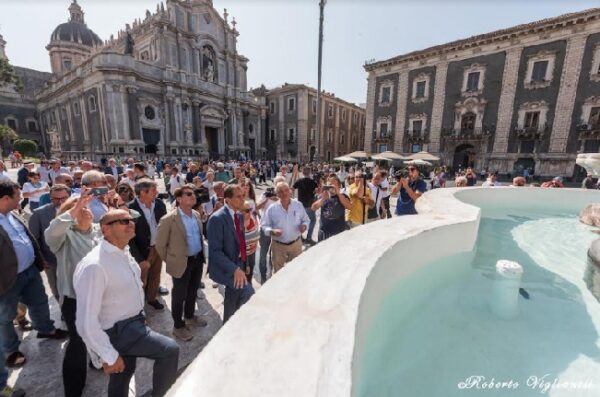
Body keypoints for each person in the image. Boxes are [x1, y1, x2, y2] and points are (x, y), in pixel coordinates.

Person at [74, 209, 179, 397]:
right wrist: (107, 355)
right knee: (169, 350)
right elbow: (85, 322)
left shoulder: (124, 251)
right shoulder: (95, 266)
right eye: (123, 221)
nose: (131, 223)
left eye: (131, 220)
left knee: (123, 373)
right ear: (106, 229)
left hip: (132, 323)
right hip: (118, 331)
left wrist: (140, 315)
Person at [0, 181, 68, 371]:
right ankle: (11, 350)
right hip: (7, 278)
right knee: (5, 316)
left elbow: (27, 238)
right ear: (5, 198)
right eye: (17, 195)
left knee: (39, 302)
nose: (21, 198)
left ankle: (45, 329)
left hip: (29, 270)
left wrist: (38, 260)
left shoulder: (11, 214)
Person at [45, 193, 102, 397]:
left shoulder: (99, 231)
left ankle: (97, 362)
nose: (86, 210)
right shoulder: (64, 236)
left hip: (100, 296)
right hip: (75, 299)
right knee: (78, 342)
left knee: (98, 333)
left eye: (87, 206)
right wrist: (73, 208)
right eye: (80, 208)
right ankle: (73, 389)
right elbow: (51, 233)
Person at [156, 184, 207, 341]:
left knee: (192, 290)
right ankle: (178, 326)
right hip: (180, 262)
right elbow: (160, 245)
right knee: (179, 294)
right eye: (188, 194)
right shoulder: (169, 219)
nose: (193, 196)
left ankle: (190, 316)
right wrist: (171, 259)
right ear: (178, 199)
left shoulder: (196, 215)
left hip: (196, 259)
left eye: (193, 194)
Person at [207, 184, 255, 323]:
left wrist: (244, 262)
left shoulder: (239, 215)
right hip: (227, 267)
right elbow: (215, 252)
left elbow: (241, 240)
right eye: (238, 197)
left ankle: (228, 325)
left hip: (239, 264)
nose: (242, 199)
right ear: (227, 200)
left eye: (243, 196)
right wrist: (234, 269)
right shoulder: (217, 219)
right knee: (249, 293)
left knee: (232, 299)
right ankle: (237, 326)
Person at [128, 179, 168, 311]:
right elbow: (129, 238)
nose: (156, 192)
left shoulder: (160, 204)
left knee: (155, 275)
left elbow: (165, 225)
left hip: (157, 248)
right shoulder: (130, 208)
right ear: (142, 192)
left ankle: (151, 299)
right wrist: (139, 259)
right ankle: (137, 307)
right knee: (140, 280)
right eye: (153, 190)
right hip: (141, 250)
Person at [28, 184, 71, 301]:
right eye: (56, 199)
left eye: (64, 198)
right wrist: (42, 259)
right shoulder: (38, 214)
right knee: (57, 288)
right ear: (50, 198)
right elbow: (33, 239)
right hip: (51, 260)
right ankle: (63, 309)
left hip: (74, 258)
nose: (61, 201)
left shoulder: (79, 210)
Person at [261, 182, 309, 273]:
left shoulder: (298, 205)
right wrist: (272, 231)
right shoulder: (272, 208)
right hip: (278, 246)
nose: (284, 193)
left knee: (296, 271)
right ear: (277, 194)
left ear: (290, 191)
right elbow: (264, 225)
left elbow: (306, 220)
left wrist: (304, 225)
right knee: (278, 273)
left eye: (286, 190)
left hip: (296, 245)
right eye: (280, 191)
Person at [311, 174, 351, 241]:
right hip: (324, 233)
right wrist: (323, 199)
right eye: (330, 184)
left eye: (334, 184)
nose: (331, 186)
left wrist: (338, 193)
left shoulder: (343, 196)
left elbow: (349, 206)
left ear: (339, 186)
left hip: (338, 233)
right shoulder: (324, 195)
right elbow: (313, 208)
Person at [293, 167, 318, 245]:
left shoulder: (299, 181)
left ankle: (300, 238)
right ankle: (309, 238)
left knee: (300, 221)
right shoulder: (313, 181)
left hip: (300, 205)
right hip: (310, 204)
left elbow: (293, 188)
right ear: (310, 172)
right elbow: (316, 191)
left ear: (302, 173)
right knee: (312, 221)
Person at [242, 199, 260, 283]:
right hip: (243, 256)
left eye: (250, 210)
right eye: (246, 210)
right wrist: (246, 263)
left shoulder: (252, 219)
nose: (249, 212)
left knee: (249, 277)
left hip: (252, 253)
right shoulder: (237, 225)